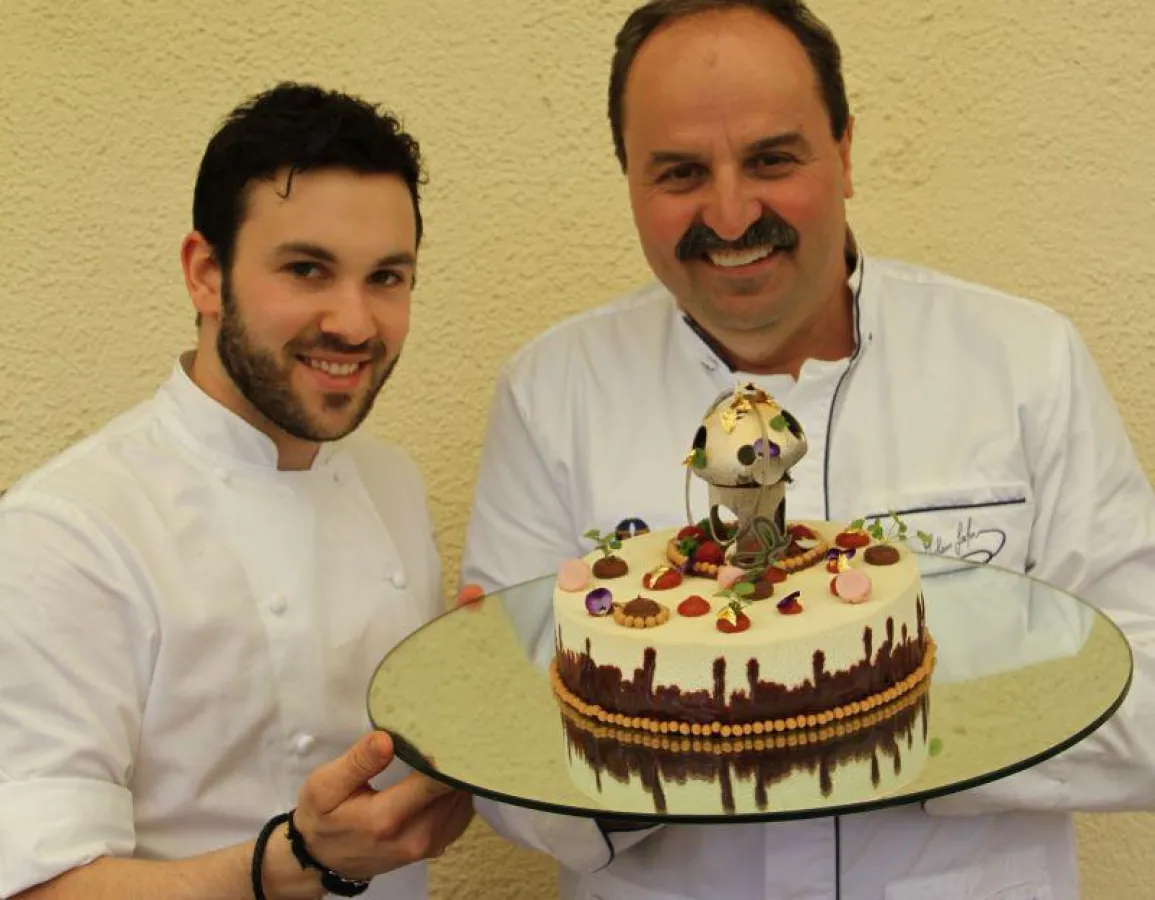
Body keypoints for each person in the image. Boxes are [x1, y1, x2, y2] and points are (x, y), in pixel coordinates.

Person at [460, 2, 1155, 898]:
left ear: (846, 153)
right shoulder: (548, 392)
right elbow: (507, 762)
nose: (730, 210)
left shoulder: (1025, 362)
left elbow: (1142, 698)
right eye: (678, 172)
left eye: (771, 159)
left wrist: (871, 717)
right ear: (628, 179)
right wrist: (646, 755)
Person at [0, 82, 479, 900]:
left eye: (386, 277)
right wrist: (290, 863)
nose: (355, 324)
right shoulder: (66, 533)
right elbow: (38, 885)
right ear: (205, 274)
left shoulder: (389, 481)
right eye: (306, 269)